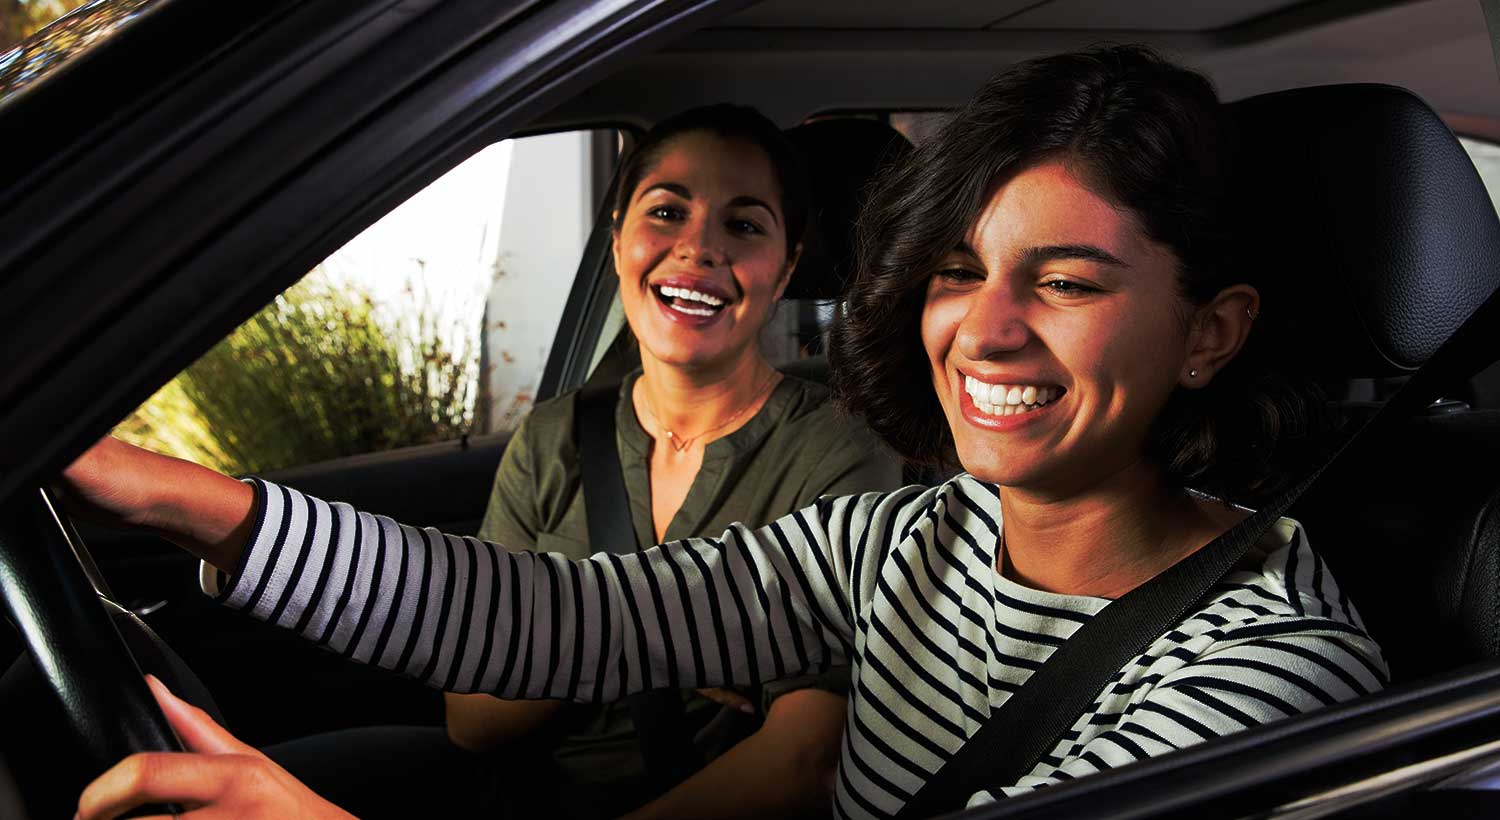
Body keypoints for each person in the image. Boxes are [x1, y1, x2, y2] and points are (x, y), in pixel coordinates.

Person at [69, 46, 1386, 820]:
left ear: (1209, 331)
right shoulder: (911, 541)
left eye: (1069, 280)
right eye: (955, 269)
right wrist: (162, 491)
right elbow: (550, 619)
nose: (982, 332)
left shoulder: (1266, 677)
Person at [252, 103, 903, 820]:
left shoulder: (835, 449)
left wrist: (542, 628)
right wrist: (685, 645)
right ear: (618, 235)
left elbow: (804, 759)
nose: (698, 249)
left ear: (783, 272)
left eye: (744, 226)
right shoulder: (556, 434)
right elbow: (472, 719)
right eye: (665, 212)